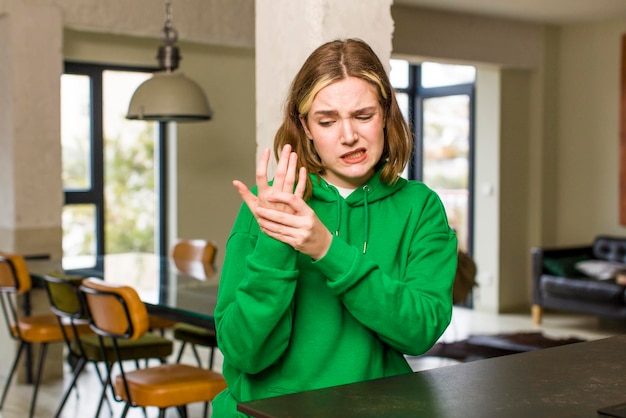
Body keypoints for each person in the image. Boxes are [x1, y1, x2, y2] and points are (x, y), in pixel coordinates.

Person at [212, 38, 457, 416]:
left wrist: (327, 250)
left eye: (363, 116)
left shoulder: (419, 207)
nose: (348, 136)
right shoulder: (269, 205)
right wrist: (278, 242)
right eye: (327, 120)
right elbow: (245, 351)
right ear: (306, 127)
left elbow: (420, 331)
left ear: (386, 114)